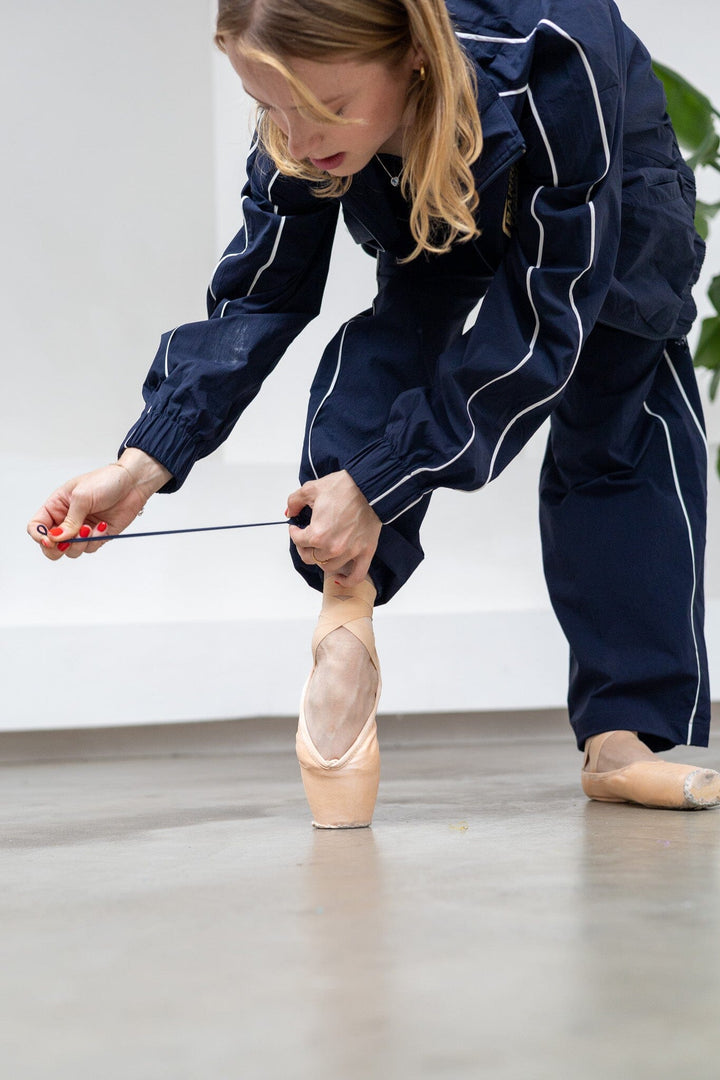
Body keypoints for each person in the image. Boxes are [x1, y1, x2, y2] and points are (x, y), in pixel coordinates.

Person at [28, 0, 720, 826]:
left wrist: (385, 482)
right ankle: (344, 621)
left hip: (607, 200)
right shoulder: (303, 121)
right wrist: (145, 461)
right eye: (267, 107)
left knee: (618, 426)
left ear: (412, 59)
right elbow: (261, 292)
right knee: (385, 354)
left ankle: (624, 735)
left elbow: (545, 315)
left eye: (324, 109)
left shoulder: (556, 57)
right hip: (429, 192)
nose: (294, 135)